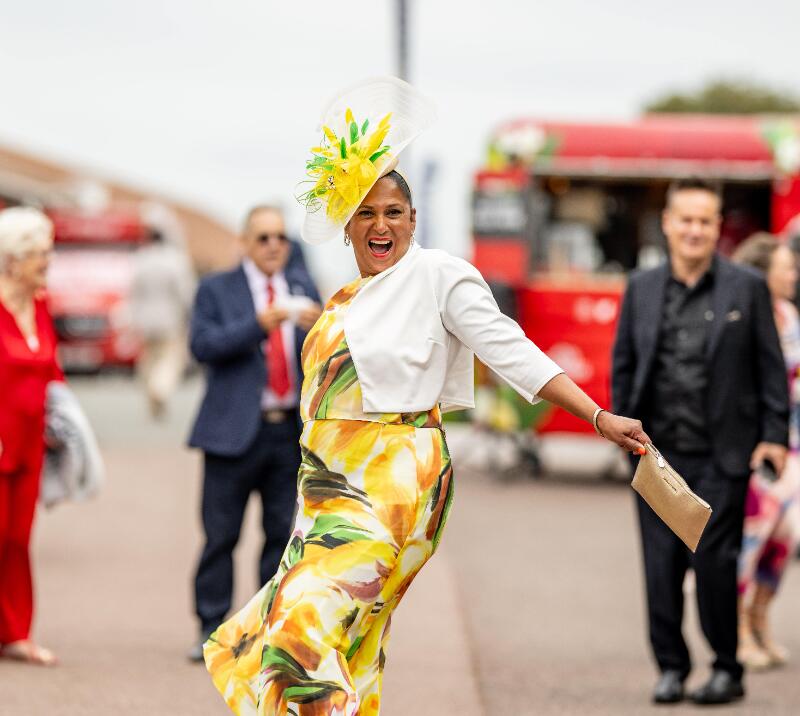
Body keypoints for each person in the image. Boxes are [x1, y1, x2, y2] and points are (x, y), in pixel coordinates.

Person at [203, 76, 650, 716]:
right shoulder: (343, 299)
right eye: (366, 213)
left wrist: (597, 416)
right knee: (342, 642)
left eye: (393, 212)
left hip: (394, 480)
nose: (380, 224)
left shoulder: (439, 275)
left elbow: (512, 349)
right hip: (326, 490)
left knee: (299, 637)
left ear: (413, 220)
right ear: (347, 225)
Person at [612, 179, 790, 705]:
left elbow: (771, 368)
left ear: (717, 227)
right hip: (656, 455)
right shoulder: (641, 287)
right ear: (668, 223)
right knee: (660, 566)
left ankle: (727, 669)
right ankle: (671, 668)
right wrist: (620, 427)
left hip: (723, 454)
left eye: (705, 221)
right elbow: (624, 364)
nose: (694, 230)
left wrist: (774, 436)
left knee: (715, 564)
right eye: (685, 219)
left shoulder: (746, 287)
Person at [187, 204, 322, 662]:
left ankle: (267, 633)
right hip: (232, 435)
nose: (273, 246)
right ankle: (210, 629)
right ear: (244, 243)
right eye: (263, 237)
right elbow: (201, 345)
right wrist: (257, 326)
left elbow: (322, 355)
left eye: (281, 237)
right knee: (220, 536)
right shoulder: (216, 288)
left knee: (280, 537)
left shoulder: (302, 288)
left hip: (287, 434)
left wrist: (321, 328)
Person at [732, 233, 800, 669]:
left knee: (785, 538)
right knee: (750, 539)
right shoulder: (741, 317)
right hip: (754, 448)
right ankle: (738, 630)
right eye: (786, 268)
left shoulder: (790, 316)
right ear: (762, 274)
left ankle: (761, 617)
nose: (794, 274)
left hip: (790, 446)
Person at [0, 206, 63, 666]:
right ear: (14, 258)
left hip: (31, 443)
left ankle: (16, 634)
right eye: (41, 253)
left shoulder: (40, 303)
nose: (48, 261)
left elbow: (52, 368)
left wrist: (63, 420)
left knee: (18, 539)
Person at [129, 221, 196, 419]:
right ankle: (159, 389)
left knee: (150, 360)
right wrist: (189, 315)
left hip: (145, 319)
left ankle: (153, 398)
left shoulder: (141, 259)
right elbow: (185, 292)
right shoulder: (175, 260)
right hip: (169, 318)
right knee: (170, 360)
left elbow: (134, 292)